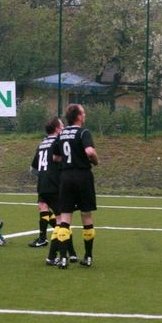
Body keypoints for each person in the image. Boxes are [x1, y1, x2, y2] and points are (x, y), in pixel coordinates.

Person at [52, 104, 99, 269]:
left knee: (65, 217)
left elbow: (55, 157)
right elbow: (90, 152)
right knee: (86, 215)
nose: (84, 116)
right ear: (78, 116)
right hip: (82, 175)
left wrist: (68, 159)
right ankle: (88, 257)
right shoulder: (83, 132)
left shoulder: (61, 134)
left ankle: (63, 258)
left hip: (66, 176)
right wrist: (95, 161)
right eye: (83, 113)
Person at [29, 117, 79, 265]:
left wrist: (44, 175)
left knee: (61, 219)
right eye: (62, 126)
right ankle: (51, 257)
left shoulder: (42, 143)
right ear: (57, 129)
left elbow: (33, 168)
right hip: (55, 185)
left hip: (42, 186)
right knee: (62, 221)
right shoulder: (59, 142)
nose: (64, 128)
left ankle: (72, 253)